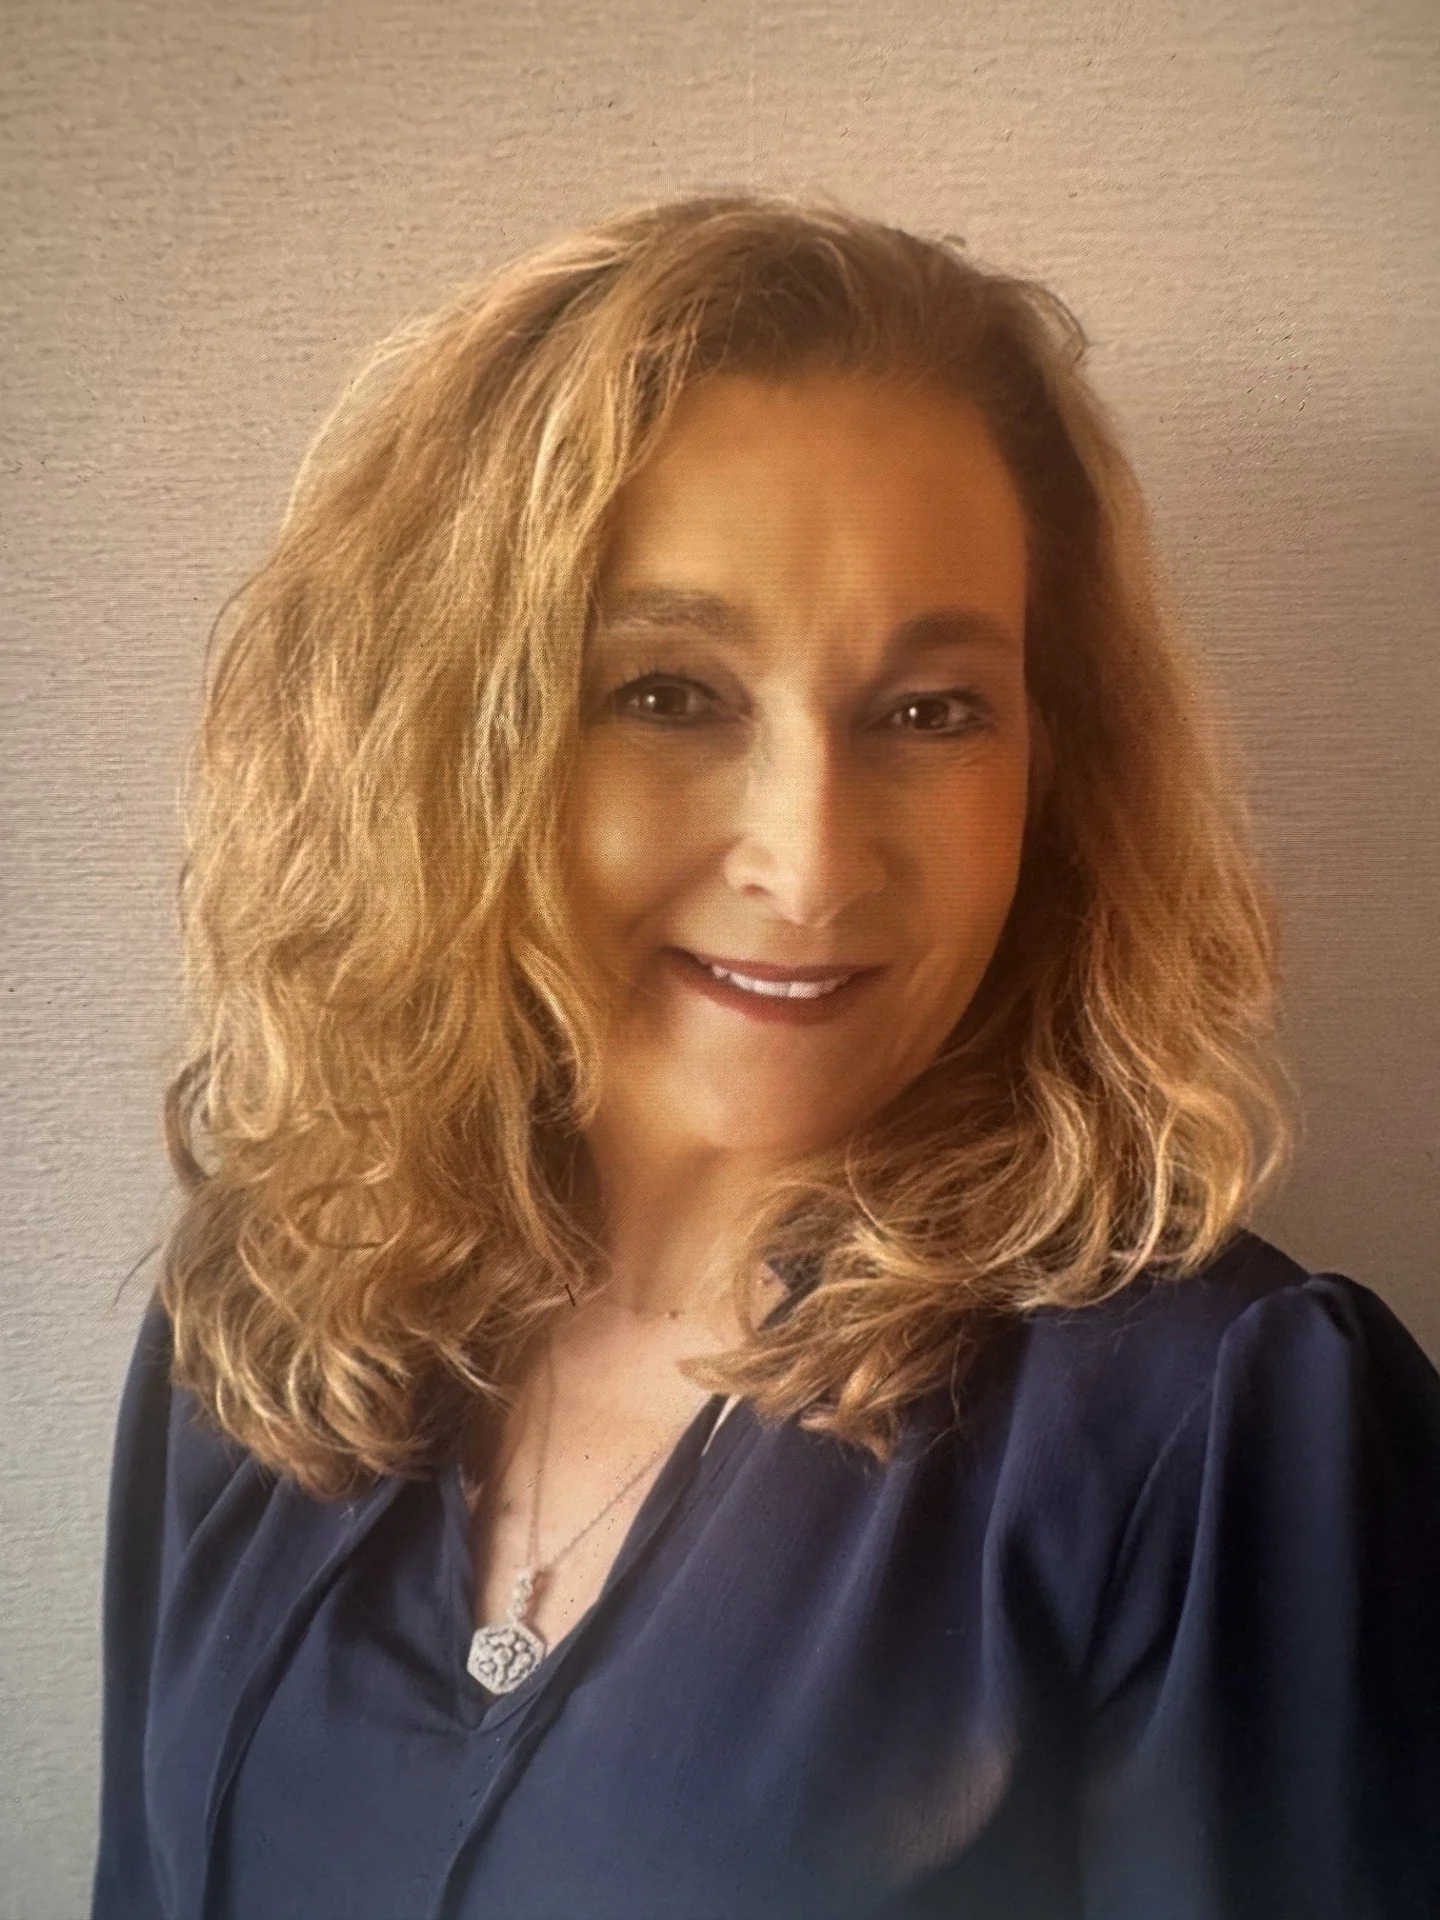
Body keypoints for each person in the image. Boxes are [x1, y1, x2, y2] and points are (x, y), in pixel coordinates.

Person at [91, 192, 1440, 1920]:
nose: (810, 863)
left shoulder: (1213, 1433)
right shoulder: (272, 1318)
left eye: (932, 712)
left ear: (1052, 767)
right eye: (668, 693)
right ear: (445, 742)